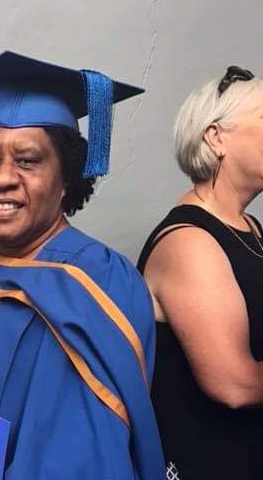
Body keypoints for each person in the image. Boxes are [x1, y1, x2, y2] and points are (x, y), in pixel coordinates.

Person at [0, 52, 164, 479]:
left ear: (66, 179)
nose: (2, 178)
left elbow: (79, 455)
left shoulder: (98, 280)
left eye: (27, 161)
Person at [137, 67, 263, 480]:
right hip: (209, 463)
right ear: (216, 137)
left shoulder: (250, 229)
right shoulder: (189, 243)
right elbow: (233, 384)